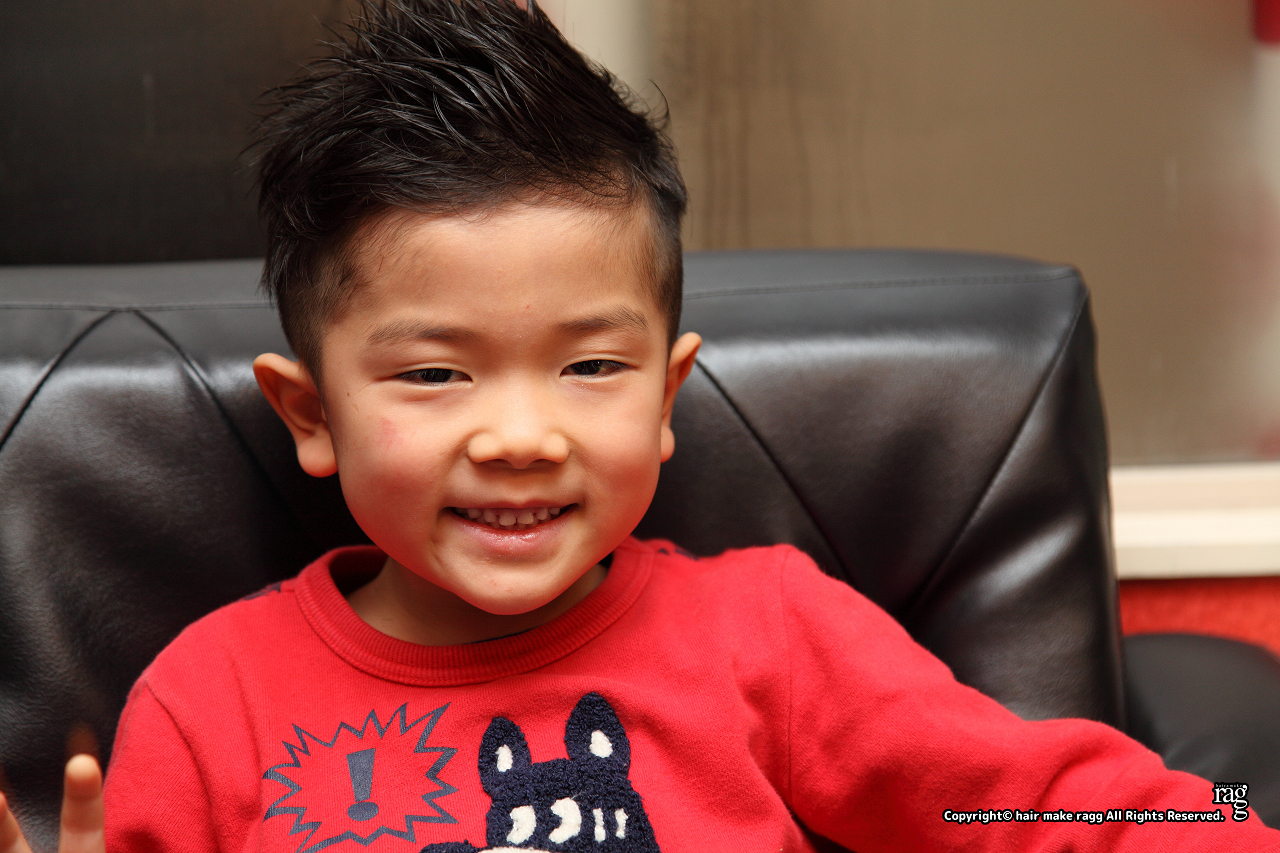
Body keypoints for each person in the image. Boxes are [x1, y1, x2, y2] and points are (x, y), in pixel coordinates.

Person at [3, 1, 1280, 851]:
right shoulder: (211, 702)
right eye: (436, 374)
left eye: (589, 367)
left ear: (666, 399)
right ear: (310, 412)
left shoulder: (772, 637)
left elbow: (1052, 807)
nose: (519, 435)